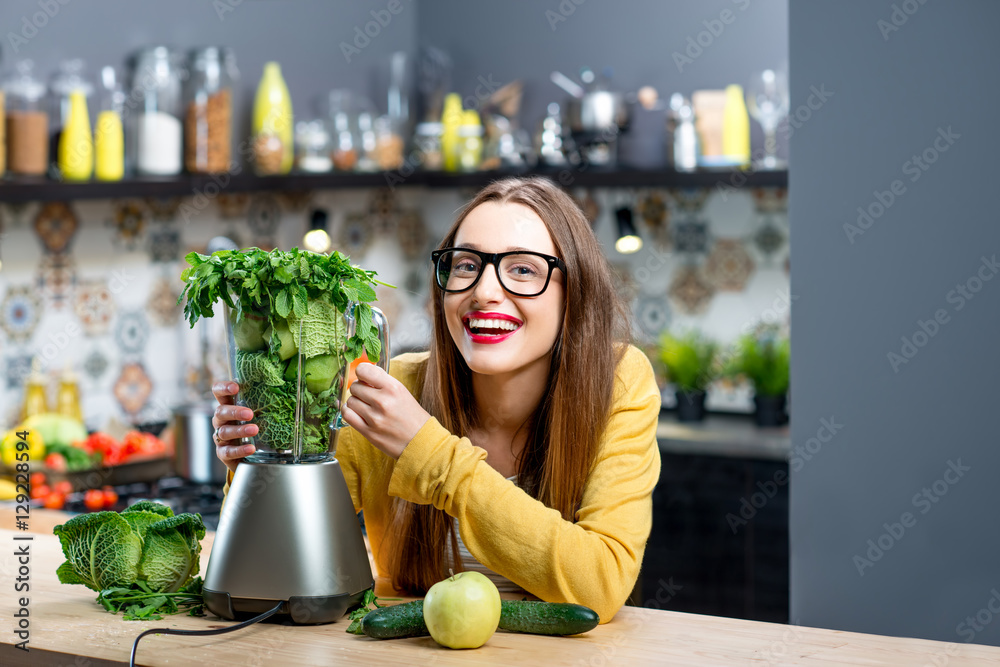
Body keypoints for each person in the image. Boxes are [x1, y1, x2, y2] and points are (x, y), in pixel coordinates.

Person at [212, 177, 661, 623]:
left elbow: (600, 584)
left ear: (574, 294)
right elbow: (286, 575)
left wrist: (430, 453)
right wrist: (265, 469)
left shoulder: (619, 382)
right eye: (466, 265)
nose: (484, 291)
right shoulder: (386, 390)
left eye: (523, 269)